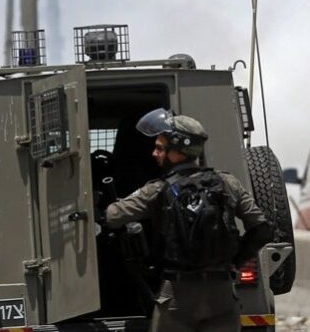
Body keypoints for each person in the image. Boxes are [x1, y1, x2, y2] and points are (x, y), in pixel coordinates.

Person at [105, 108, 272, 332]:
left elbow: (113, 216)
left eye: (160, 148)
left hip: (176, 294)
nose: (154, 154)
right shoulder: (227, 183)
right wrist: (235, 260)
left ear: (177, 152)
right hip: (222, 292)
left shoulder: (157, 189)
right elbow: (262, 229)